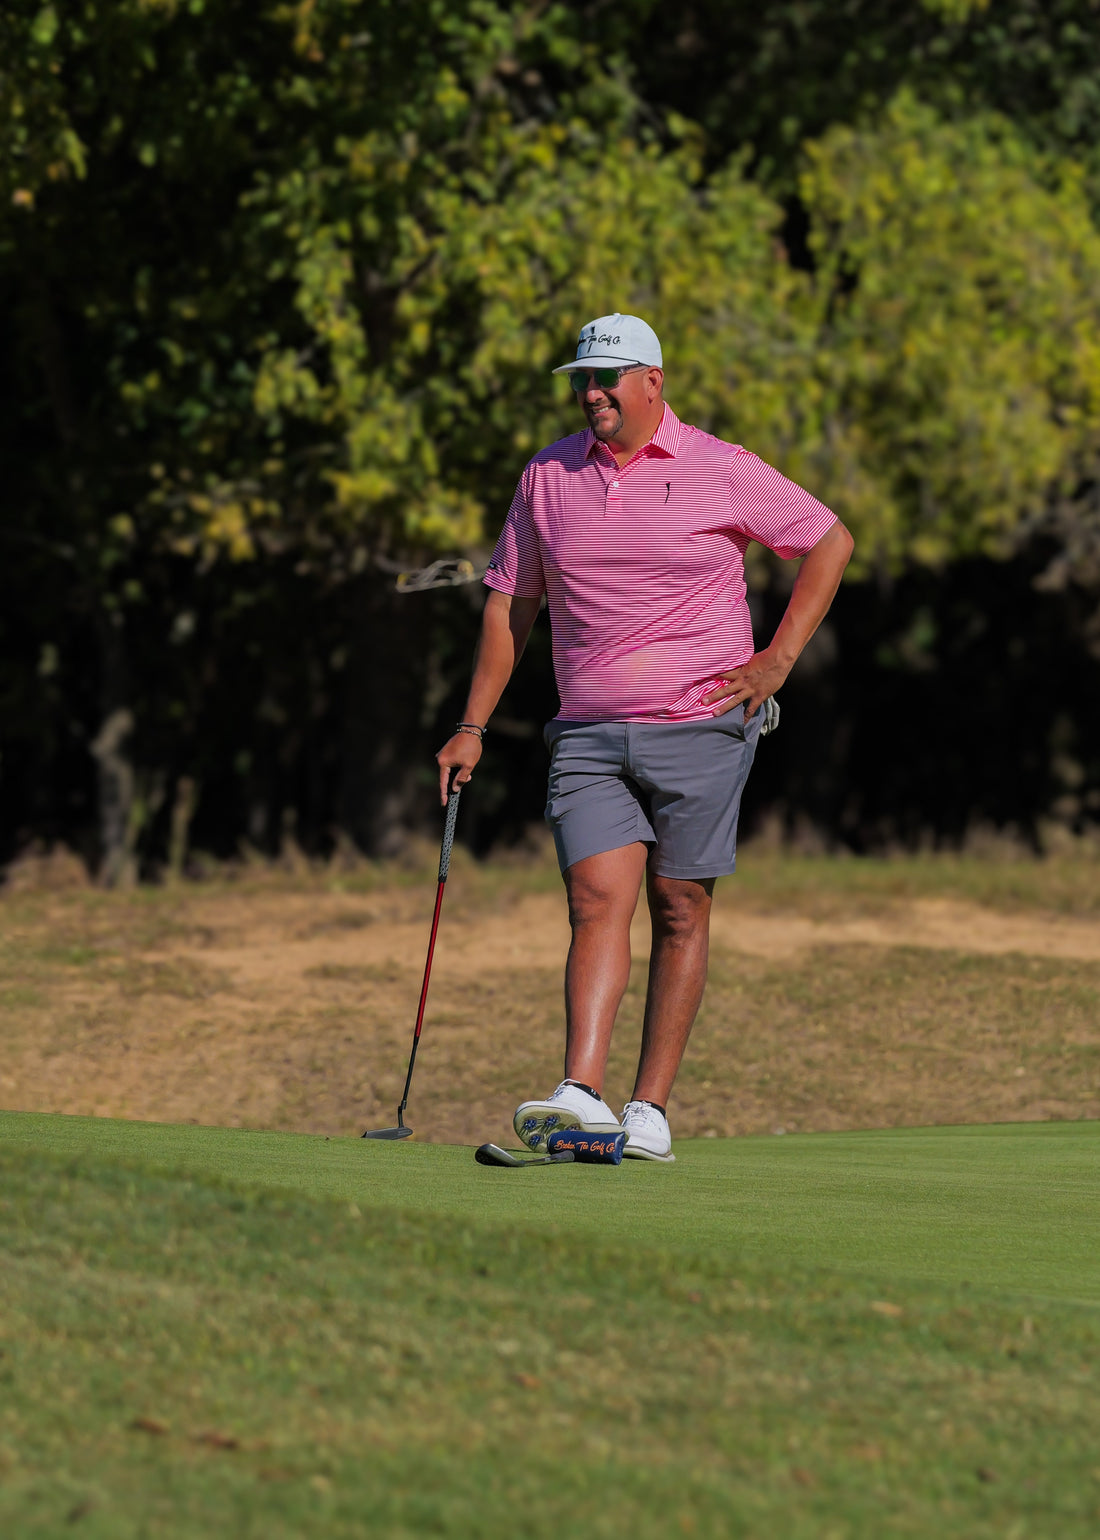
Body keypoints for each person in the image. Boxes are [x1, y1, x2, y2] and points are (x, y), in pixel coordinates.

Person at [437, 313, 853, 1162]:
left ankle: (650, 1108)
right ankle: (580, 1090)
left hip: (702, 727)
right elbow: (512, 603)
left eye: (606, 379)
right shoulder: (546, 476)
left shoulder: (721, 468)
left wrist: (777, 661)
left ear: (652, 380)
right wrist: (471, 725)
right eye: (580, 381)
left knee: (680, 906)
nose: (590, 393)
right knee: (595, 902)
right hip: (588, 732)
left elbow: (828, 540)